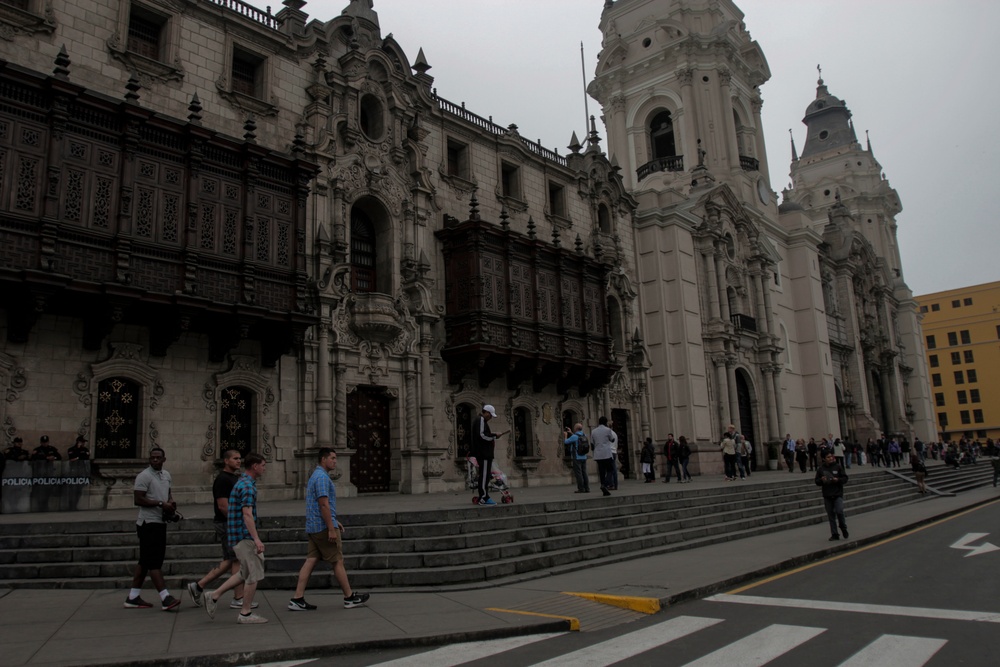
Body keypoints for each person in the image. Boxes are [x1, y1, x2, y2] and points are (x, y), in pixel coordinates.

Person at [289, 448, 370, 610]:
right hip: (322, 528)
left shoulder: (317, 476)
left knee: (311, 560)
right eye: (332, 458)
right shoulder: (321, 478)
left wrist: (334, 520)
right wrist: (331, 527)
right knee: (338, 561)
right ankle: (349, 597)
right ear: (323, 459)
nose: (335, 461)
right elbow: (323, 503)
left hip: (314, 526)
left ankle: (297, 598)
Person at [204, 453, 267, 624]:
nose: (264, 468)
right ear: (254, 466)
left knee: (243, 572)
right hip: (244, 536)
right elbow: (247, 514)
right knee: (253, 574)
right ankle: (245, 613)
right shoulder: (247, 486)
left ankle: (214, 595)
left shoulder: (242, 483)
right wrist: (256, 539)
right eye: (262, 465)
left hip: (238, 535)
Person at [187, 450, 251, 610]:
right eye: (235, 459)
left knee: (230, 560)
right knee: (236, 559)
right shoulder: (222, 479)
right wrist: (236, 522)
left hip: (230, 524)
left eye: (239, 458)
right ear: (226, 460)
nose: (239, 461)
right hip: (227, 524)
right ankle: (238, 597)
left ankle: (198, 586)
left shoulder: (233, 478)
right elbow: (223, 506)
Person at [125, 447, 180, 611]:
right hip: (148, 523)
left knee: (145, 560)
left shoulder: (166, 475)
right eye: (152, 457)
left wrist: (170, 504)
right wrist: (161, 504)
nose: (155, 460)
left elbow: (168, 494)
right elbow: (138, 499)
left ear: (164, 459)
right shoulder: (144, 476)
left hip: (160, 522)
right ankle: (165, 597)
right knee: (154, 561)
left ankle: (133, 596)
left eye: (158, 457)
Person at [472, 405, 508, 506]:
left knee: (486, 475)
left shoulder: (481, 421)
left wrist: (493, 435)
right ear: (486, 412)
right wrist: (494, 436)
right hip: (483, 454)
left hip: (484, 453)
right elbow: (482, 436)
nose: (491, 417)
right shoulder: (481, 420)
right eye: (490, 415)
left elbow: (483, 434)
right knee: (484, 476)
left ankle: (484, 496)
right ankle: (483, 497)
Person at [815, 451, 849, 541]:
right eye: (828, 457)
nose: (830, 458)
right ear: (824, 459)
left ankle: (843, 527)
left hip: (837, 494)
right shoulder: (821, 469)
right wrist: (822, 480)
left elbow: (845, 478)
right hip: (827, 494)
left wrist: (837, 480)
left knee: (839, 511)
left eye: (831, 457)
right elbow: (817, 481)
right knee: (831, 515)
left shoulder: (838, 467)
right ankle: (834, 534)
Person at [591, 416, 617, 497]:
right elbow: (612, 439)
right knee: (610, 469)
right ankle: (605, 484)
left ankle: (603, 487)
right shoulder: (608, 430)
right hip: (606, 453)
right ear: (605, 422)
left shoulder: (593, 431)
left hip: (598, 454)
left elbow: (592, 443)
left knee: (601, 471)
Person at [566, 423, 591, 492]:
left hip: (577, 457)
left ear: (576, 429)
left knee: (578, 473)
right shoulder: (584, 435)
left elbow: (566, 442)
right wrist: (571, 432)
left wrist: (565, 435)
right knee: (584, 473)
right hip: (584, 457)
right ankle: (587, 488)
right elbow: (576, 437)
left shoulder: (574, 437)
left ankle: (581, 488)